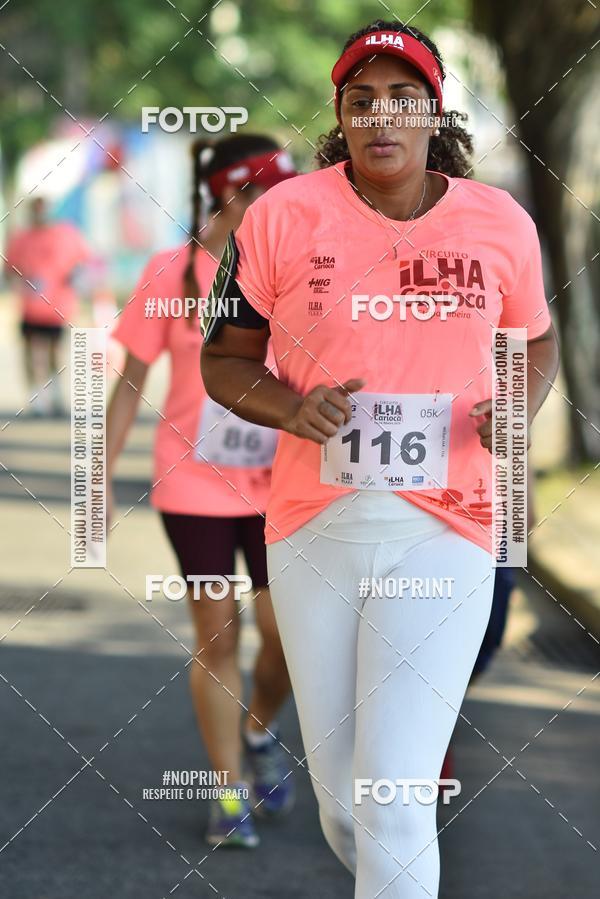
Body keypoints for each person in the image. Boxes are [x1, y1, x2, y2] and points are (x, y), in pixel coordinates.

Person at [200, 19, 559, 898]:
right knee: (347, 809)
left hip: (450, 528)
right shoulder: (281, 217)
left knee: (395, 799)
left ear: (435, 113)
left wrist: (518, 402)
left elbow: (536, 342)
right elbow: (224, 360)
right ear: (341, 115)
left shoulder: (498, 221)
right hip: (314, 529)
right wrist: (294, 405)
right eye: (363, 101)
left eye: (404, 98)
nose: (382, 116)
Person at [107, 134, 298, 847]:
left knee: (285, 635)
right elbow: (129, 381)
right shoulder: (173, 272)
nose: (285, 203)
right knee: (218, 635)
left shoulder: (299, 269)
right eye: (267, 191)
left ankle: (259, 729)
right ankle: (227, 792)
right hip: (192, 482)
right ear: (228, 194)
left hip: (281, 481)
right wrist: (96, 475)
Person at [5, 196, 90, 415]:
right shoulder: (21, 239)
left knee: (53, 352)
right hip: (30, 308)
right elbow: (9, 269)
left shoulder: (65, 234)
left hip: (57, 308)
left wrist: (76, 276)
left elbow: (84, 261)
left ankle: (54, 394)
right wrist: (21, 281)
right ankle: (36, 395)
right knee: (29, 351)